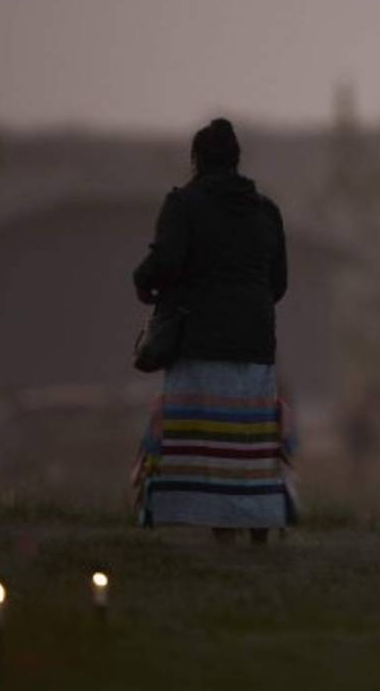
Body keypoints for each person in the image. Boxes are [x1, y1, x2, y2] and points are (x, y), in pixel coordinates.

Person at [132, 118, 291, 545]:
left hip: (199, 342)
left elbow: (163, 263)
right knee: (248, 445)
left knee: (205, 444)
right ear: (237, 160)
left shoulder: (183, 205)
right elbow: (278, 283)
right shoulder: (266, 212)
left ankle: (219, 525)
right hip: (256, 344)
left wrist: (142, 281)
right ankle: (257, 520)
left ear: (196, 159)